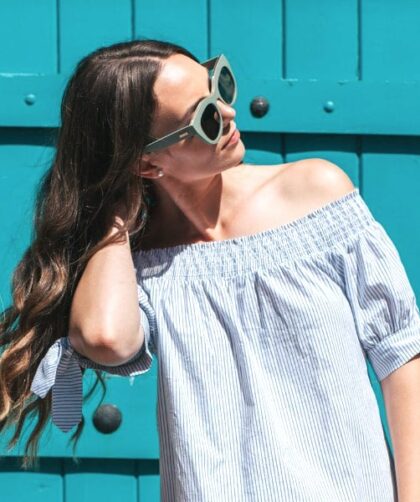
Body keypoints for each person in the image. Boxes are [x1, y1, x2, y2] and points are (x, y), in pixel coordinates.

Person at [0, 38, 419, 501]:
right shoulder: (138, 263)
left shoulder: (315, 192)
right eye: (204, 117)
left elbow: (402, 353)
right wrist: (115, 215)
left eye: (219, 87)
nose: (229, 113)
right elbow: (107, 340)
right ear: (147, 163)